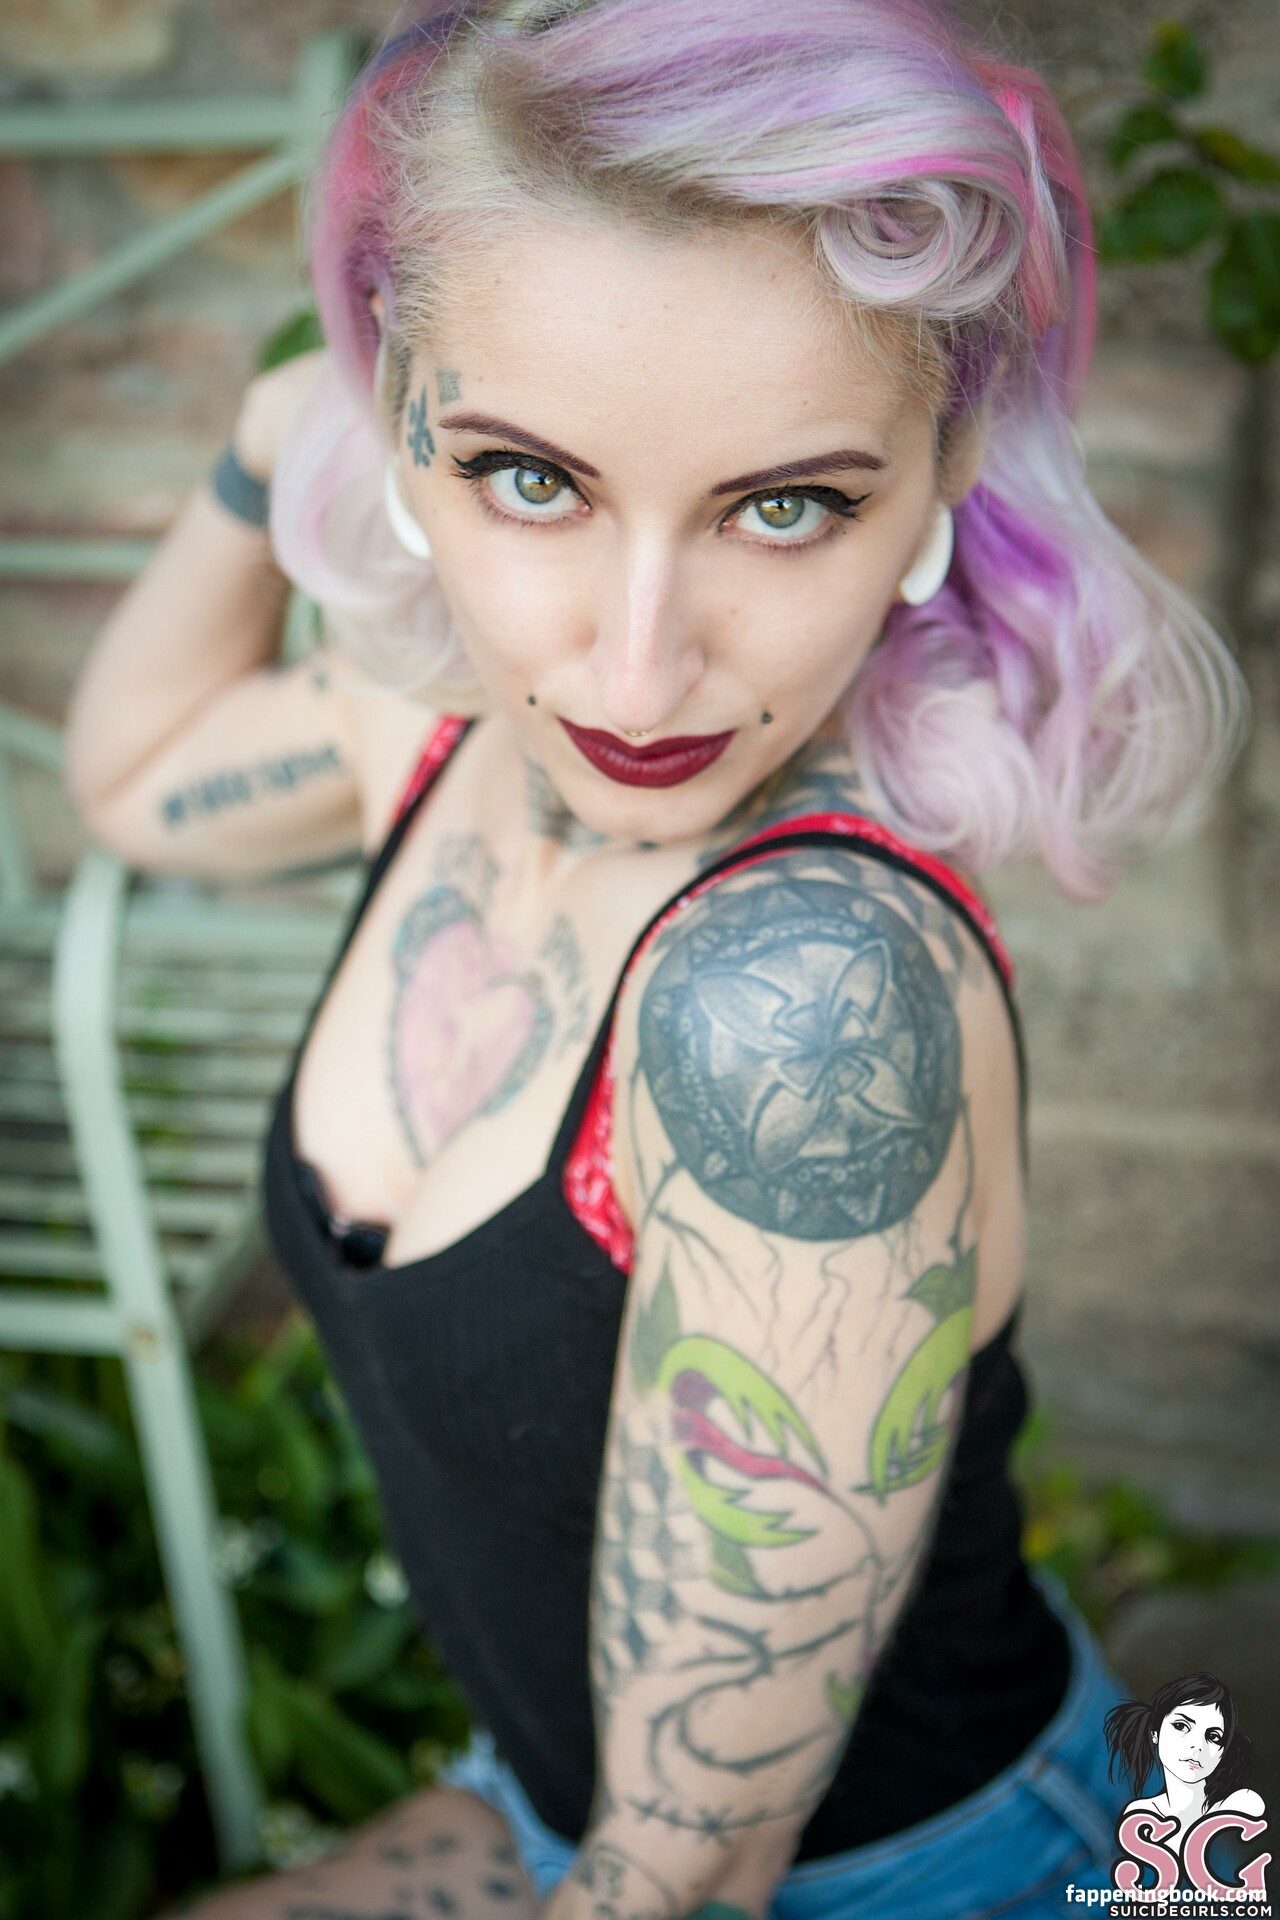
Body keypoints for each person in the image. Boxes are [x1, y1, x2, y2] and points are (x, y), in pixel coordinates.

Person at [63, 1, 1247, 1915]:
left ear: (944, 468)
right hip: (553, 1801)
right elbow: (136, 777)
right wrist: (267, 442)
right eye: (531, 478)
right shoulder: (436, 727)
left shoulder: (804, 997)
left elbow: (683, 1871)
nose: (634, 674)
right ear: (408, 418)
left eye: (784, 507)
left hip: (916, 1871)